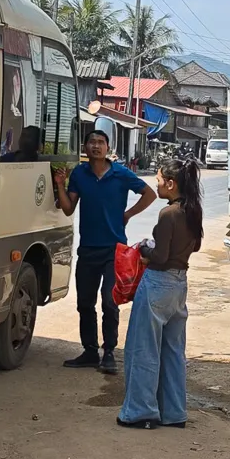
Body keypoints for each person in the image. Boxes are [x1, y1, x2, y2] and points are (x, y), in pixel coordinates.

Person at [56, 129, 156, 373]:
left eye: (100, 142)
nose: (96, 146)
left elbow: (149, 194)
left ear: (108, 148)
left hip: (114, 251)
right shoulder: (79, 174)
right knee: (84, 303)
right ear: (85, 147)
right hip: (88, 250)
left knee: (110, 303)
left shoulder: (121, 174)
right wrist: (59, 184)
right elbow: (69, 208)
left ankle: (109, 351)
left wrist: (128, 214)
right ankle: (89, 351)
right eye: (91, 142)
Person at [117, 160, 203, 429]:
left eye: (159, 179)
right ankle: (174, 412)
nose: (156, 183)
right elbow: (195, 246)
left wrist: (144, 251)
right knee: (173, 351)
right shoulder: (192, 210)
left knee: (143, 349)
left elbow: (161, 256)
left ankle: (141, 412)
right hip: (179, 285)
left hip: (158, 283)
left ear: (171, 183)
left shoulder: (168, 214)